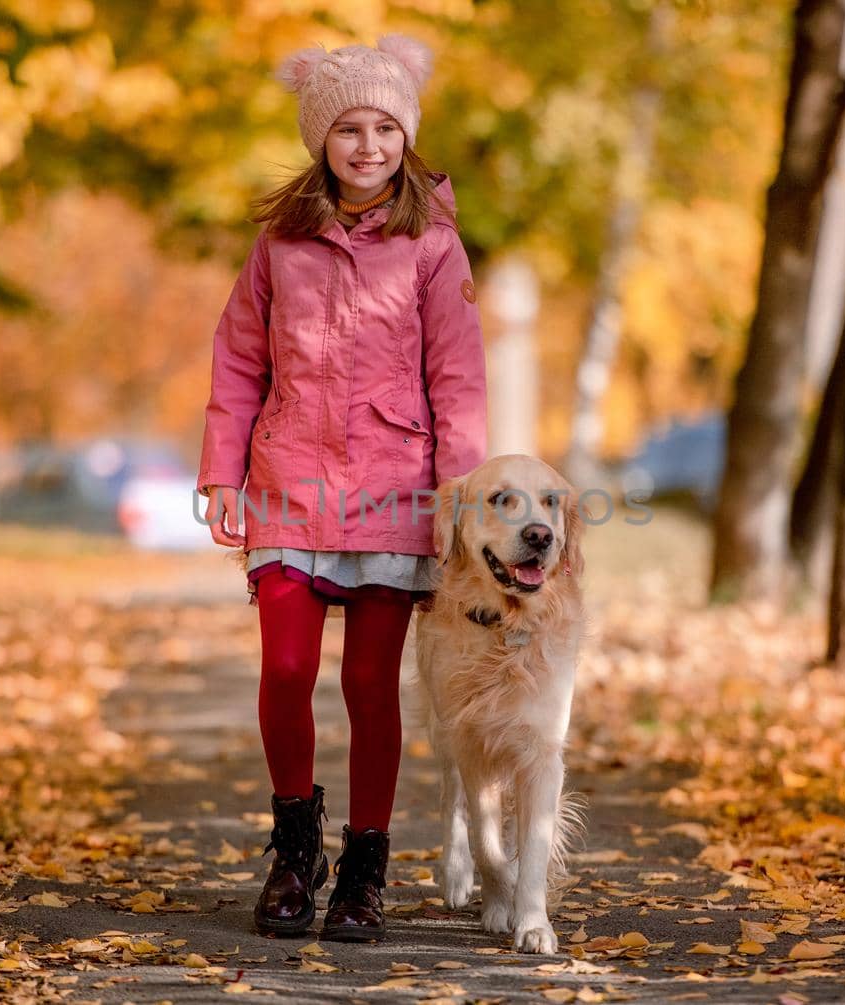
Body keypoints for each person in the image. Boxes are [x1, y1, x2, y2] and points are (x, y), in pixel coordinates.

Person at [195, 34, 487, 942]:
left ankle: (364, 867)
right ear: (322, 138)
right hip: (288, 480)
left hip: (396, 490)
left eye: (385, 127)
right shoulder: (280, 241)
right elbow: (240, 358)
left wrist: (459, 501)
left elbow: (459, 377)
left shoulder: (433, 242)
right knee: (285, 669)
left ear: (407, 136)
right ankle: (293, 851)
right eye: (350, 128)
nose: (368, 145)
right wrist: (221, 470)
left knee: (370, 682)